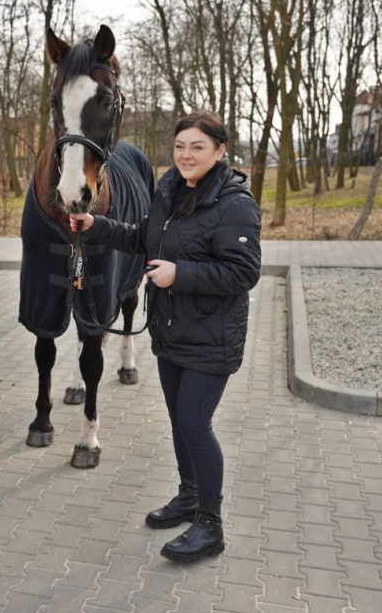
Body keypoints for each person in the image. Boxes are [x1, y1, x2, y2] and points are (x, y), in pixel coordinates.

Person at [70, 110, 261, 562]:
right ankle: (189, 496)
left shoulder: (234, 203)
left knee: (195, 424)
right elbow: (144, 238)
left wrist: (181, 274)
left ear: (219, 151)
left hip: (212, 337)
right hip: (172, 332)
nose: (186, 155)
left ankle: (210, 526)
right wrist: (97, 225)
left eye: (197, 147)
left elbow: (243, 272)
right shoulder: (169, 192)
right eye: (180, 146)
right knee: (179, 422)